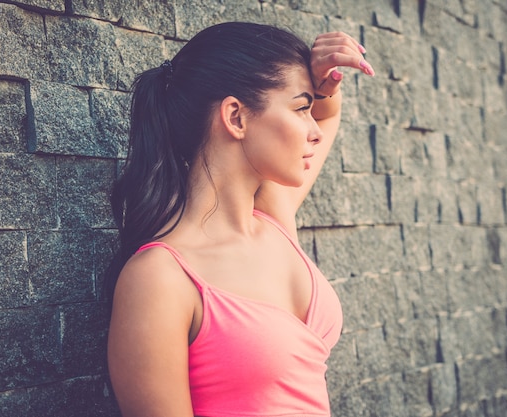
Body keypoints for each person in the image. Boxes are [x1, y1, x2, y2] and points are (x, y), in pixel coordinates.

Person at [106, 21, 375, 417]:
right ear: (236, 117)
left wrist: (325, 87)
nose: (314, 131)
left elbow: (328, 119)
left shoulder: (273, 220)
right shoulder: (160, 279)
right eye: (302, 108)